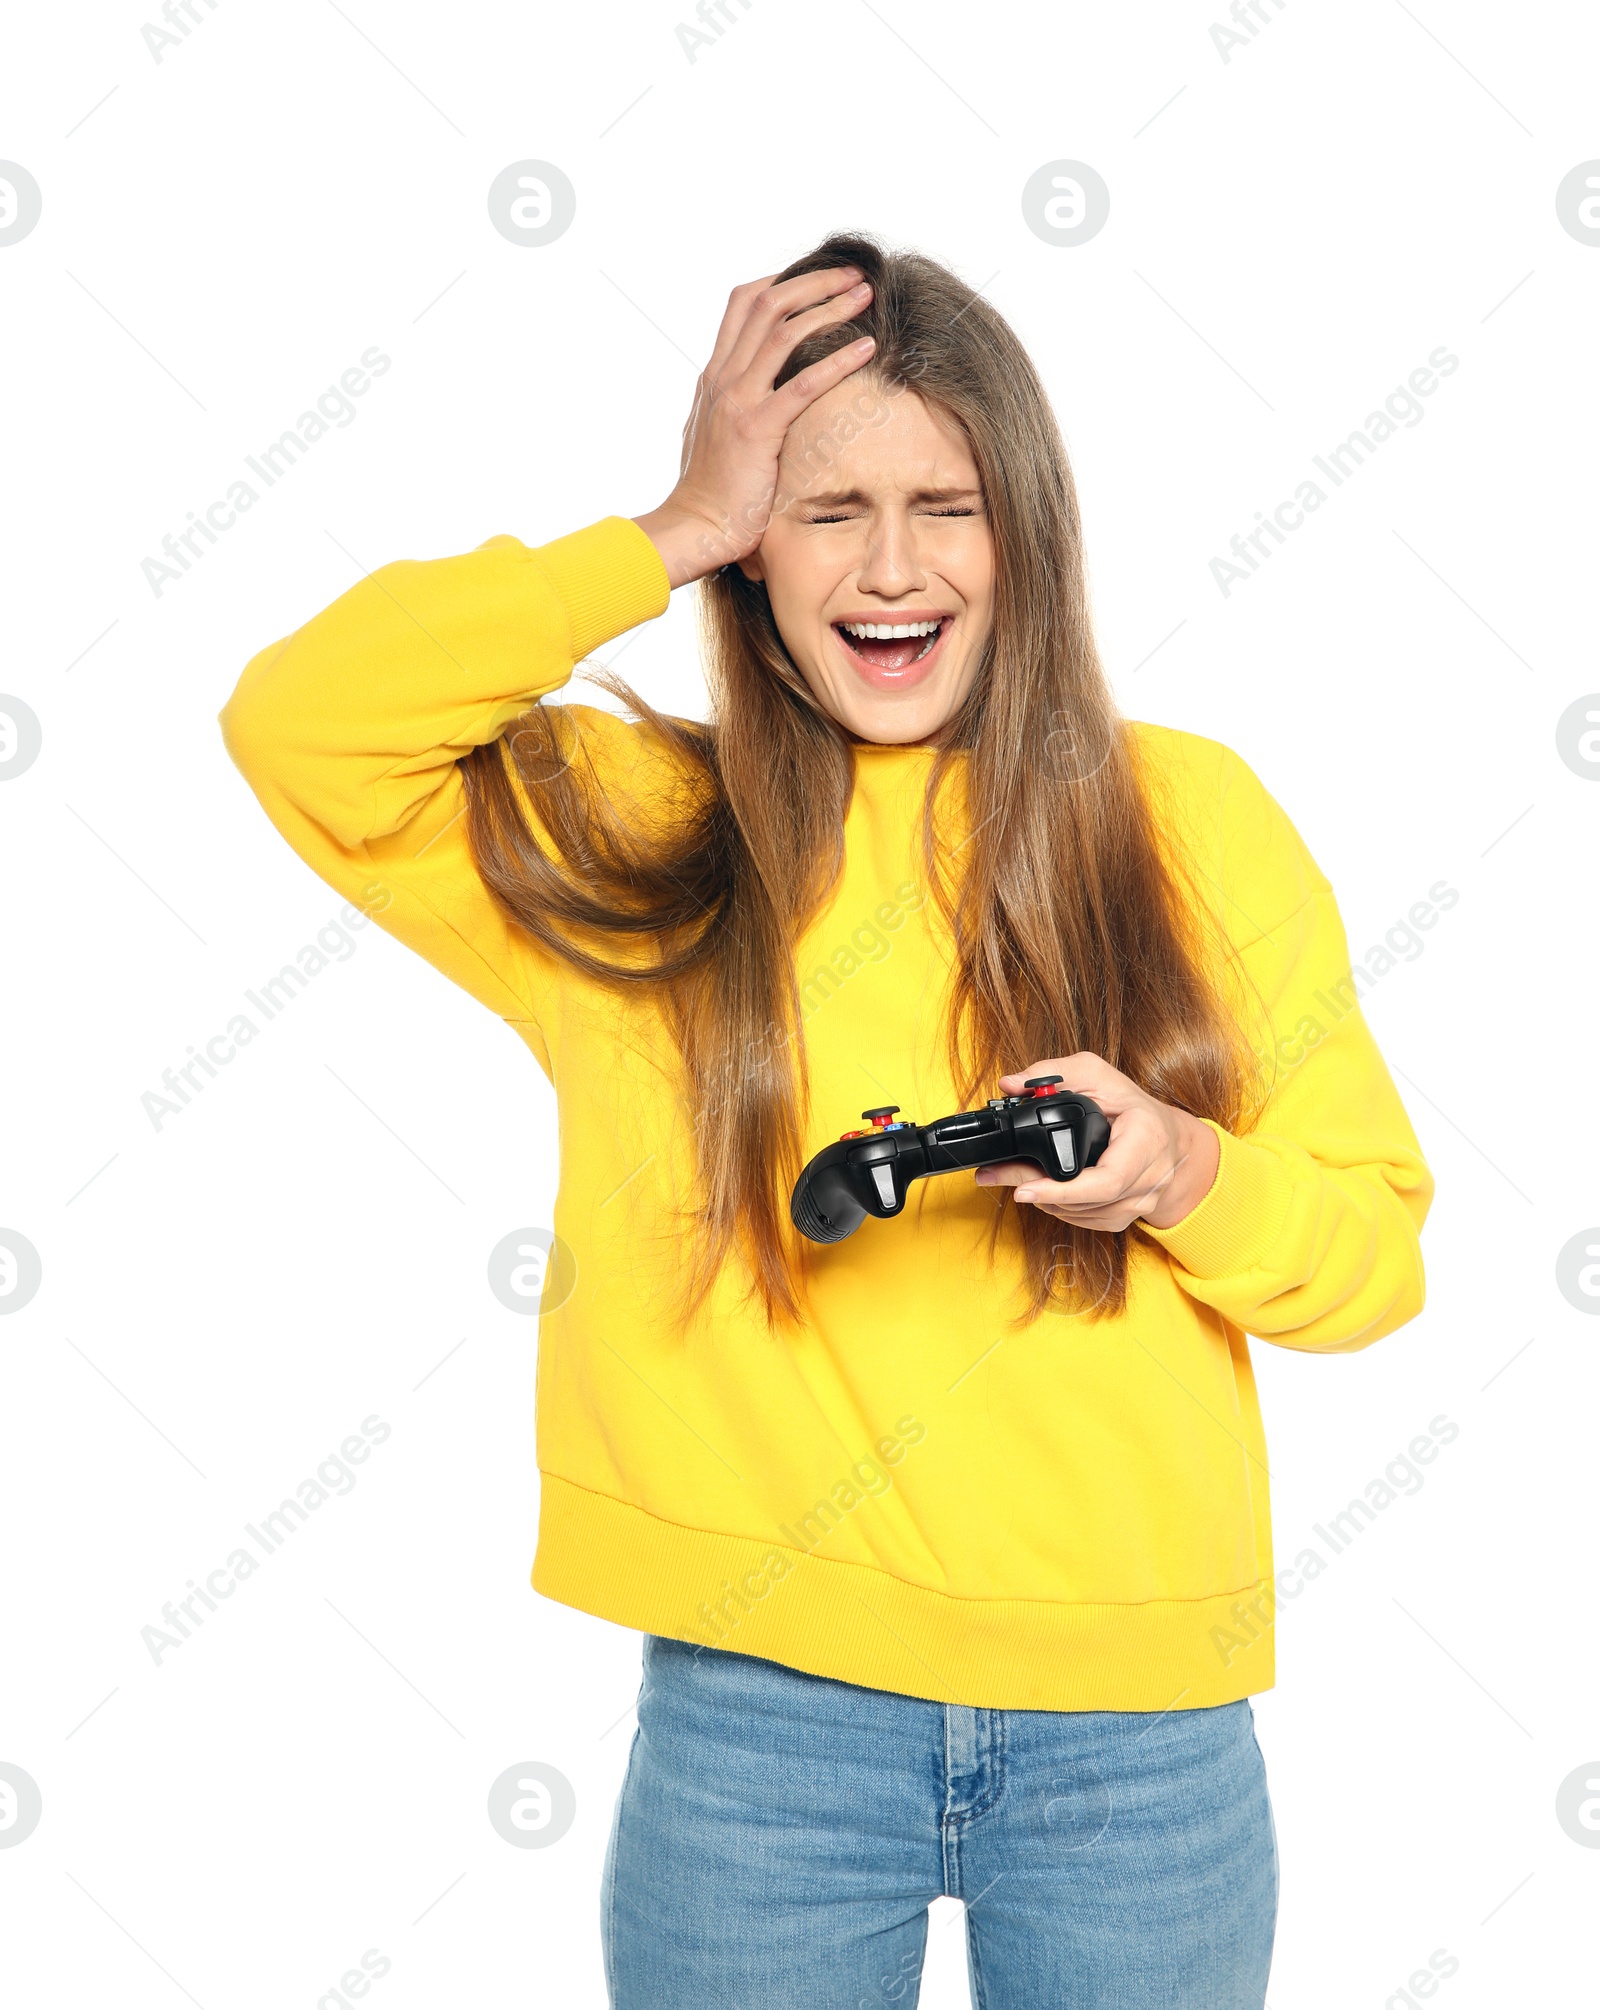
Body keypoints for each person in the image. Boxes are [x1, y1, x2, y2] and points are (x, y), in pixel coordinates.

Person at [220, 232, 1434, 2009]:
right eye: (819, 505)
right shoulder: (635, 829)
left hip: (1139, 1740)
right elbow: (300, 722)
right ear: (752, 549)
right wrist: (657, 532)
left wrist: (1182, 1168)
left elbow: (1373, 1260)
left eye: (945, 501)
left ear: (1024, 527)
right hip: (760, 1730)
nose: (889, 566)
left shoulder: (1190, 815)